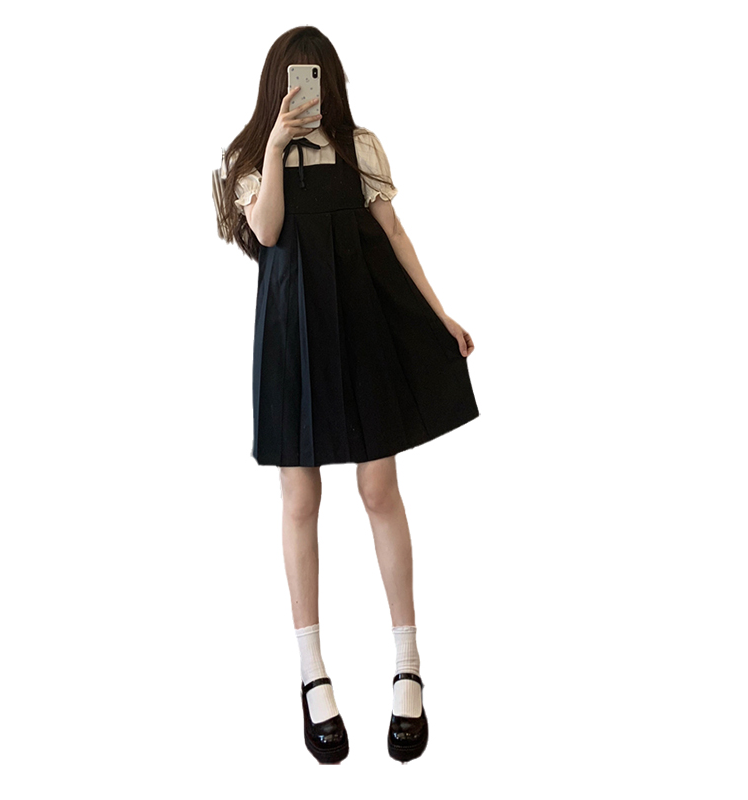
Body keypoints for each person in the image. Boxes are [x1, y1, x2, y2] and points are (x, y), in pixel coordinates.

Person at [213, 26, 479, 764]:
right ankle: (313, 674)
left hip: (359, 325)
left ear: (331, 79)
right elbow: (268, 232)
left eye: (318, 75)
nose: (309, 89)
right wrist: (275, 144)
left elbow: (394, 233)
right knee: (300, 498)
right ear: (278, 84)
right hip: (290, 340)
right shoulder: (247, 159)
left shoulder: (360, 147)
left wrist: (439, 314)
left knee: (379, 488)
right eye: (297, 78)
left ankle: (408, 666)